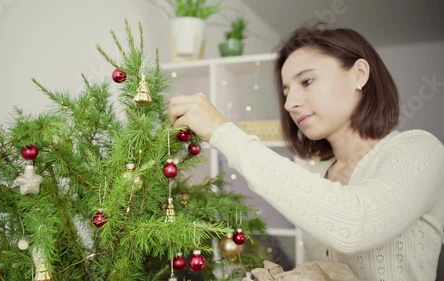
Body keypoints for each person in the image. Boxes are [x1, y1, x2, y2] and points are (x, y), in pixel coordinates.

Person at [168, 22, 444, 281]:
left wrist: (223, 132)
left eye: (307, 81)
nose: (289, 103)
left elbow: (356, 224)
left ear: (359, 75)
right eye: (286, 91)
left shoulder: (420, 150)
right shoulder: (314, 172)